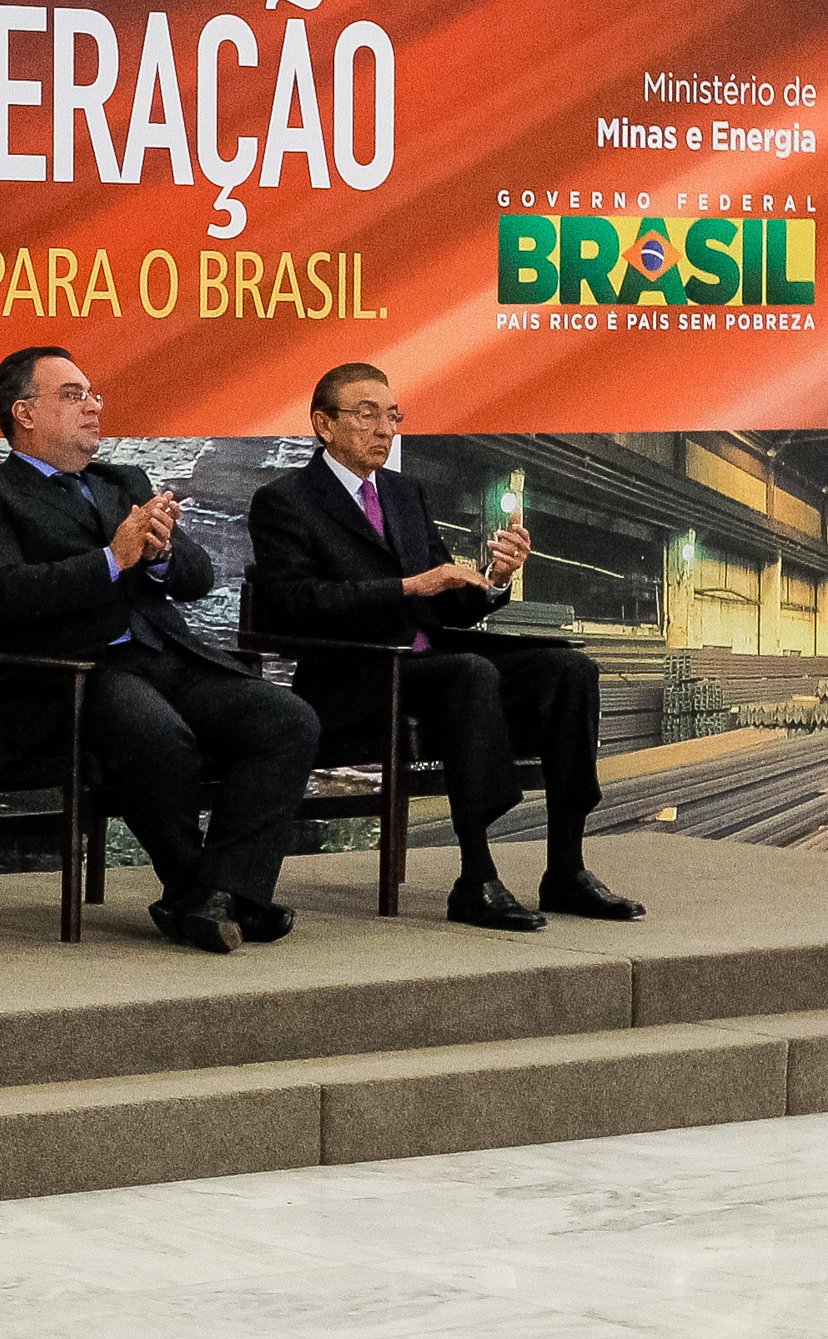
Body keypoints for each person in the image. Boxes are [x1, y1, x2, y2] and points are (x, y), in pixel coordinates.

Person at [0, 347, 318, 954]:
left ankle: (218, 895)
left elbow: (196, 578)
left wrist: (163, 553)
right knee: (155, 734)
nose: (93, 406)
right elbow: (0, 595)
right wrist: (113, 558)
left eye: (94, 394)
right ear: (24, 414)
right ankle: (209, 893)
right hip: (74, 672)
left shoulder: (123, 483)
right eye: (72, 395)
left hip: (164, 655)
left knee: (287, 719)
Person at [245, 363, 640, 928]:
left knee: (569, 669)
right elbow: (297, 604)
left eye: (392, 416)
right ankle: (476, 877)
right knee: (468, 673)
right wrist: (409, 587)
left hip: (433, 662)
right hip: (354, 675)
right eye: (367, 414)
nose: (384, 428)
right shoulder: (285, 500)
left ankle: (566, 870)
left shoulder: (405, 494)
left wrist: (493, 577)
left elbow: (444, 602)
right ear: (324, 424)